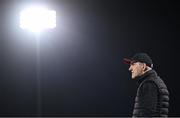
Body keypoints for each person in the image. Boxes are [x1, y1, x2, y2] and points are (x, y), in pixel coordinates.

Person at [123, 52, 169, 117]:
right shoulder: (155, 81)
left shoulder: (149, 84)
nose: (130, 68)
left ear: (143, 66)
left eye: (133, 64)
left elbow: (146, 114)